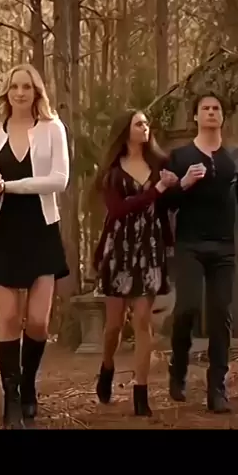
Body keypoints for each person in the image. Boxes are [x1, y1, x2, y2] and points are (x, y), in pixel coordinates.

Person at [0, 63, 70, 429]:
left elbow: (59, 180)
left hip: (41, 229)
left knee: (40, 322)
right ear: (7, 92)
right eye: (14, 86)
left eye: (27, 87)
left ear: (36, 92)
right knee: (9, 318)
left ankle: (29, 384)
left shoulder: (52, 128)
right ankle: (12, 398)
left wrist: (9, 186)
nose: (20, 93)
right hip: (2, 230)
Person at [164, 92, 238, 414]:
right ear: (195, 116)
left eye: (216, 108)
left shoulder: (235, 157)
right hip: (189, 245)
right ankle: (178, 366)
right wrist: (184, 183)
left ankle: (217, 388)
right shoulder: (179, 156)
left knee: (221, 315)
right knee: (187, 309)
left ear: (222, 116)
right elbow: (166, 203)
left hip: (223, 249)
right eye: (204, 108)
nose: (210, 112)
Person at [92, 109, 178, 417]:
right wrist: (156, 190)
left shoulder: (160, 164)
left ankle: (141, 393)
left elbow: (171, 201)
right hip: (119, 249)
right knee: (114, 326)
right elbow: (118, 210)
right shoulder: (112, 171)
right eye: (138, 123)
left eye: (146, 123)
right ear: (125, 131)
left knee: (142, 321)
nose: (145, 127)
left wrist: (179, 184)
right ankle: (106, 367)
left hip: (150, 248)